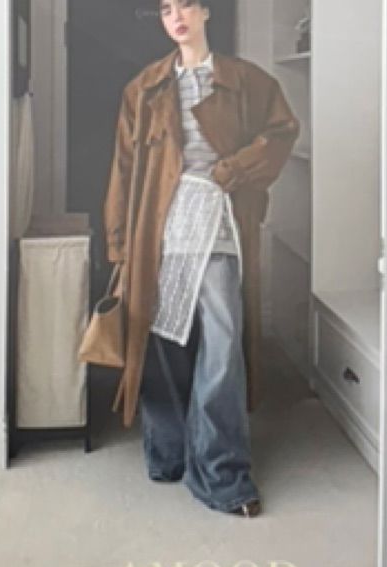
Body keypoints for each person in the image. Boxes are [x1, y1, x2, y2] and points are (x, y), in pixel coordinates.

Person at [101, 0, 299, 518]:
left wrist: (234, 170)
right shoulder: (144, 88)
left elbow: (282, 131)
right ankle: (169, 454)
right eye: (165, 9)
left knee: (222, 344)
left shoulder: (245, 80)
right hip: (158, 227)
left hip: (218, 220)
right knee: (162, 341)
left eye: (185, 4)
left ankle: (221, 472)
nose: (176, 17)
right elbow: (124, 170)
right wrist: (119, 243)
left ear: (206, 11)